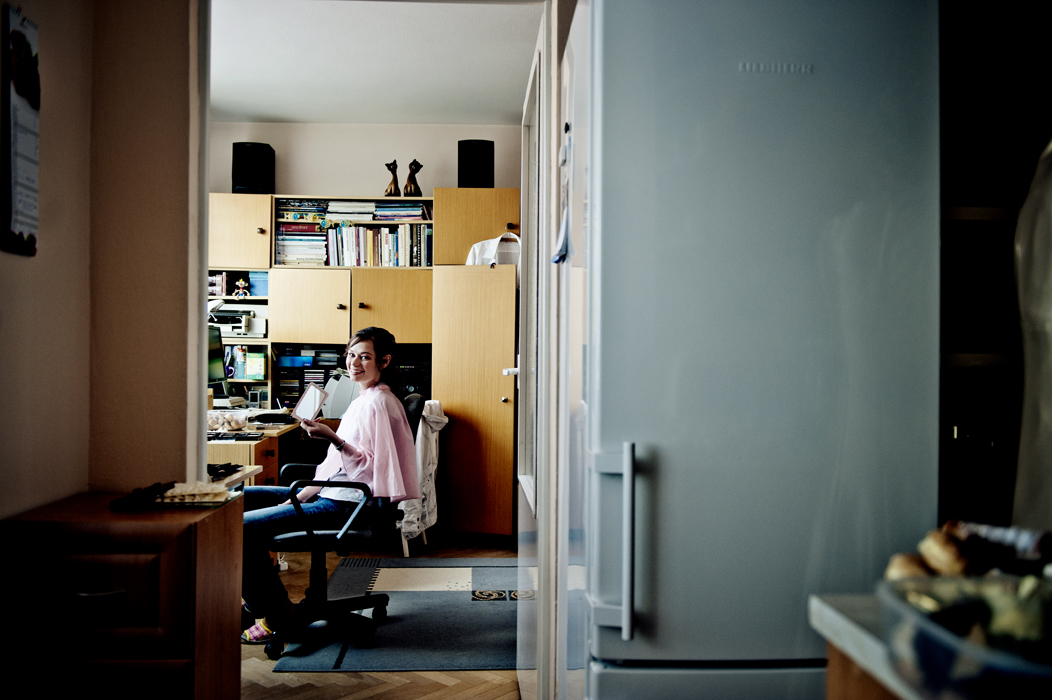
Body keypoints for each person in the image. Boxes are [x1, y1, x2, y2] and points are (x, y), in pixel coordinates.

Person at [240, 326, 420, 643]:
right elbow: (336, 466)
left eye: (365, 357)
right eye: (351, 355)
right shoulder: (365, 399)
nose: (354, 363)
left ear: (384, 361)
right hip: (331, 492)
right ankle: (265, 602)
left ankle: (272, 609)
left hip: (348, 505)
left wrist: (333, 439)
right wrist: (304, 493)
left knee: (239, 527)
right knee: (239, 497)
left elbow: (373, 470)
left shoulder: (378, 403)